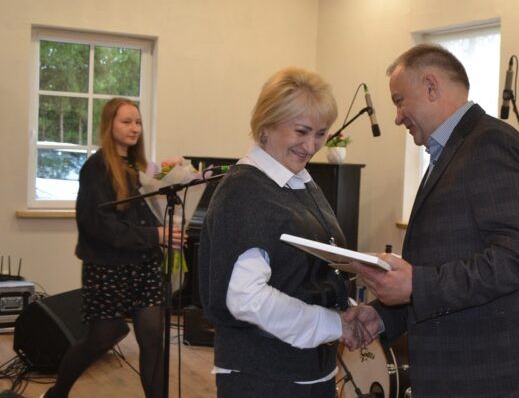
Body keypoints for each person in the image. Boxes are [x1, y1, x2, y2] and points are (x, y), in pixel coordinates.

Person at [346, 44, 519, 397]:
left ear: (431, 86)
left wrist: (416, 285)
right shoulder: (452, 151)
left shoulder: (490, 144)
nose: (397, 117)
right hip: (457, 368)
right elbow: (443, 262)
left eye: (399, 101)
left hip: (488, 373)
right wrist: (383, 316)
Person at [198, 67, 372, 398]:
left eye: (321, 133)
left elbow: (303, 276)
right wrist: (335, 324)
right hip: (264, 377)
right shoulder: (245, 190)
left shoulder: (298, 181)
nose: (311, 145)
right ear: (267, 124)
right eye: (301, 131)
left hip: (309, 372)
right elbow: (246, 298)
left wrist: (346, 308)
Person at [43, 98, 177, 398]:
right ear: (109, 125)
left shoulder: (140, 168)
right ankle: (57, 393)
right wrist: (155, 235)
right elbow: (99, 226)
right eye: (126, 122)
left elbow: (146, 215)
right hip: (107, 267)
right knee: (102, 338)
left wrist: (168, 184)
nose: (134, 128)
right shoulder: (96, 168)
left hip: (145, 266)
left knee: (153, 340)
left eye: (137, 122)